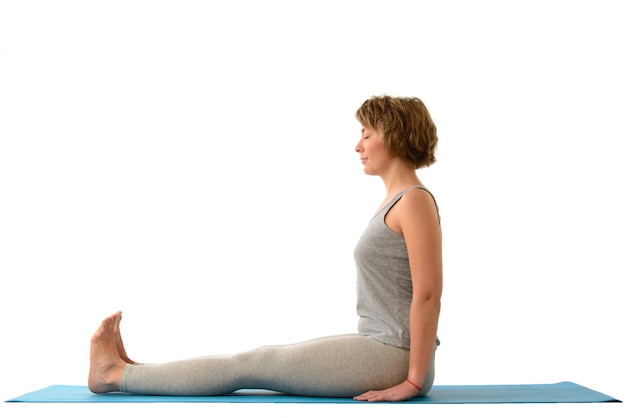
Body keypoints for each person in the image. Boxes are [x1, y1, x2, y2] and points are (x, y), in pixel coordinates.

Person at [88, 95, 443, 402]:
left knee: (250, 365)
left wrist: (412, 380)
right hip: (385, 350)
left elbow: (428, 295)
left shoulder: (413, 201)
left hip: (395, 357)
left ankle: (115, 376)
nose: (358, 145)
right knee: (257, 359)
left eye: (367, 134)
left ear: (394, 137)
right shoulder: (397, 202)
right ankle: (130, 372)